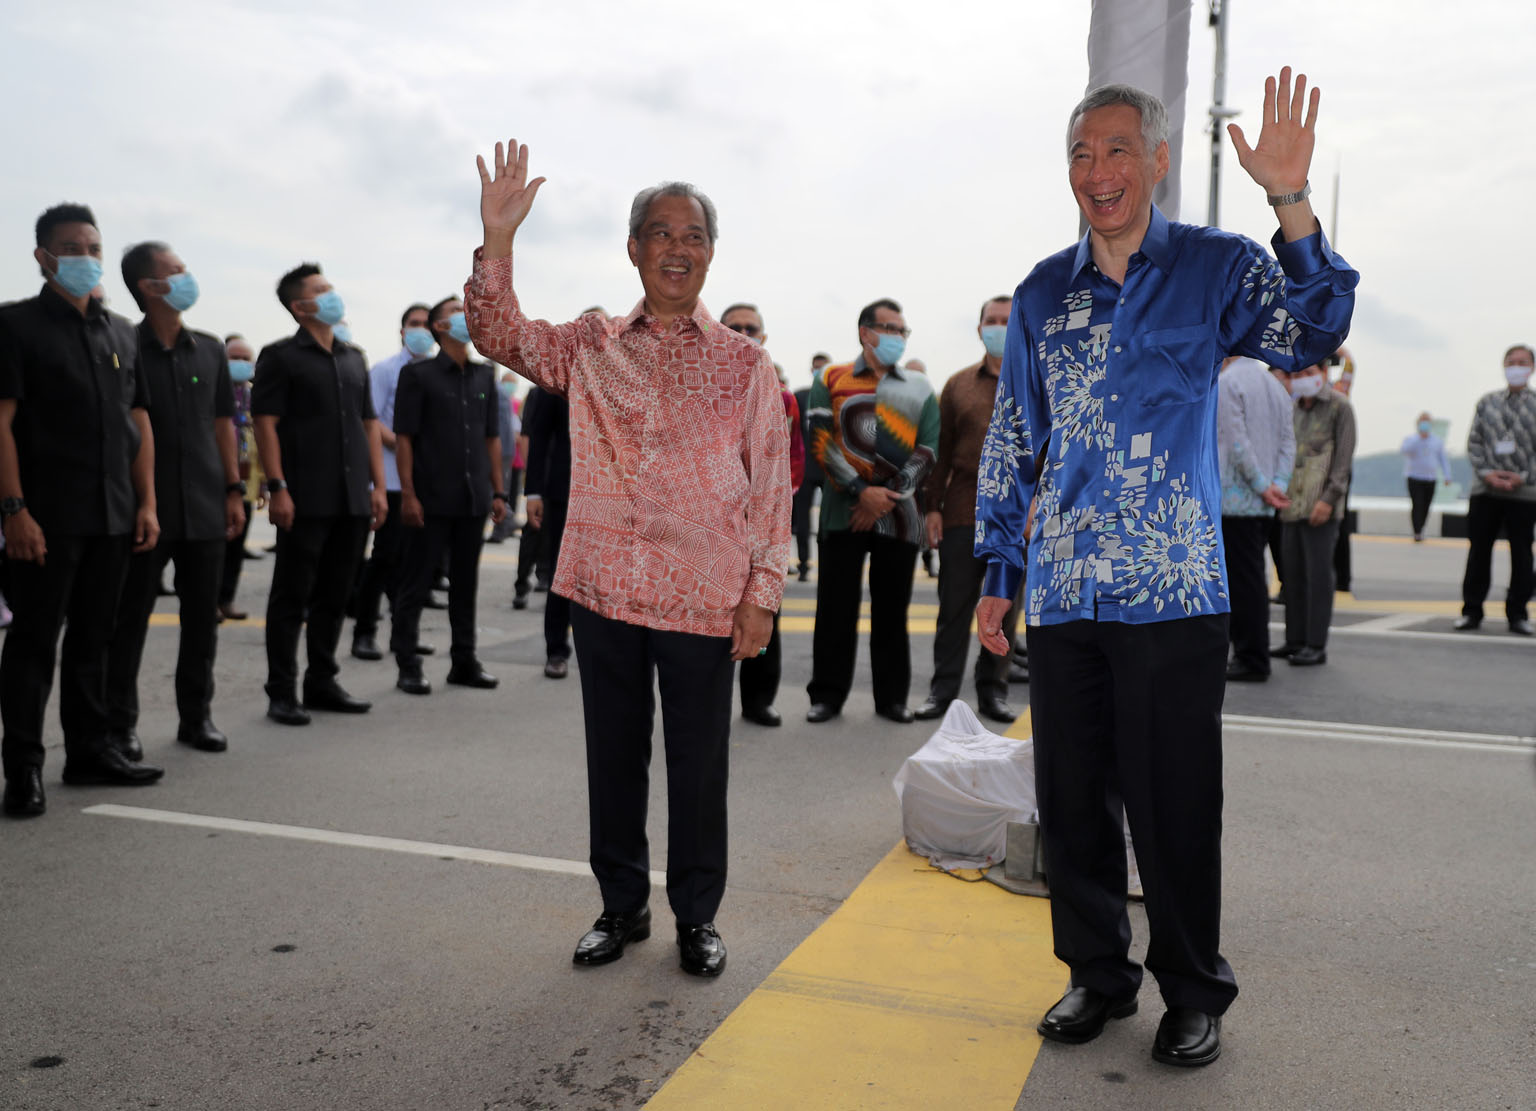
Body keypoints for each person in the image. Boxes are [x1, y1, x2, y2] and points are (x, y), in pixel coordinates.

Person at [974, 72, 1357, 1067]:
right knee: (1072, 799)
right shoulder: (1041, 293)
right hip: (1064, 591)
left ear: (1157, 161)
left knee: (1176, 800)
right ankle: (1098, 974)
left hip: (1175, 588)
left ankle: (1193, 989)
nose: (1099, 173)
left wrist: (1288, 200)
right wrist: (997, 570)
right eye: (1080, 155)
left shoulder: (1215, 269)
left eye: (1116, 151)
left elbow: (1315, 330)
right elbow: (1016, 434)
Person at [466, 142, 790, 977]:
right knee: (613, 755)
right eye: (658, 232)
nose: (676, 247)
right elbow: (498, 332)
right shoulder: (591, 344)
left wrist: (761, 593)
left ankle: (697, 916)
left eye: (692, 234)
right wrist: (498, 240)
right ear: (634, 250)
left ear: (710, 252)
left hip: (703, 595)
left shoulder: (746, 364)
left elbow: (770, 489)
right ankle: (621, 906)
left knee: (699, 764)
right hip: (604, 588)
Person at [0, 203, 166, 817]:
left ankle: (90, 752)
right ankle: (23, 767)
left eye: (93, 247)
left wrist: (145, 502)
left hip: (115, 514)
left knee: (95, 639)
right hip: (47, 515)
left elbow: (138, 422)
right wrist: (14, 510)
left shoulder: (122, 332)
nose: (85, 258)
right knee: (33, 644)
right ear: (43, 257)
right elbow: (3, 425)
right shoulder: (15, 327)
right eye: (71, 248)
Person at [105, 241, 244, 757]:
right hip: (145, 507)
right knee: (130, 619)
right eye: (176, 271)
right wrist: (142, 500)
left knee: (202, 618)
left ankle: (196, 716)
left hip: (206, 502)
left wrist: (233, 489)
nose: (187, 278)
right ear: (149, 286)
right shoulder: (123, 344)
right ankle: (120, 725)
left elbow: (224, 425)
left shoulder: (209, 349)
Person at [251, 263, 388, 725]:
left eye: (330, 287)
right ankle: (281, 691)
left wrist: (377, 486)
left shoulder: (354, 357)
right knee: (292, 596)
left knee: (335, 593)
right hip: (304, 496)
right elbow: (265, 424)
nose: (332, 296)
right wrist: (278, 487)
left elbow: (368, 424)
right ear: (300, 306)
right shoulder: (279, 357)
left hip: (351, 496)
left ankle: (322, 681)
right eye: (321, 290)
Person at [805, 299, 939, 724]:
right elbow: (821, 440)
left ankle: (891, 699)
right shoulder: (830, 377)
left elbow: (929, 448)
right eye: (890, 329)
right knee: (834, 607)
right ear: (865, 332)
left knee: (891, 609)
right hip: (842, 512)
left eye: (903, 331)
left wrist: (884, 497)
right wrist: (861, 491)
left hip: (899, 516)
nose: (898, 338)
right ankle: (826, 696)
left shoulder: (919, 387)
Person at [389, 296, 505, 693]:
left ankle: (464, 660)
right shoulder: (418, 375)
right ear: (439, 327)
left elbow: (492, 438)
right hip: (430, 496)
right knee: (417, 582)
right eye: (457, 312)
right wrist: (408, 494)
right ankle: (407, 663)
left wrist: (499, 490)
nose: (467, 317)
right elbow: (404, 438)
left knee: (465, 583)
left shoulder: (483, 375)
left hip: (473, 497)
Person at [916, 295, 1020, 724]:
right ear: (979, 329)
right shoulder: (958, 385)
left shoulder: (1037, 381)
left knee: (1005, 611)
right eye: (991, 321)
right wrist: (932, 508)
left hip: (1016, 520)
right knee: (954, 608)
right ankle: (942, 692)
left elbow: (1051, 453)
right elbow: (939, 453)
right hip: (962, 512)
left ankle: (993, 691)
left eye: (1007, 321)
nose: (998, 327)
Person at [722, 303, 804, 726]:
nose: (743, 333)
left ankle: (758, 700)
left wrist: (770, 506)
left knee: (764, 608)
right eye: (733, 327)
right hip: (715, 526)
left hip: (763, 525)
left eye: (750, 328)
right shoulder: (700, 389)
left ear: (764, 337)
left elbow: (793, 461)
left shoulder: (783, 396)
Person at [352, 304, 432, 661]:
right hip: (393, 480)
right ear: (402, 331)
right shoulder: (385, 370)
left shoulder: (434, 373)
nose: (421, 331)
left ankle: (404, 634)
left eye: (427, 325)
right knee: (384, 559)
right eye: (414, 324)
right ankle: (364, 631)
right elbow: (370, 419)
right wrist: (401, 440)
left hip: (424, 481)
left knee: (413, 565)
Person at [1218, 356, 1295, 681]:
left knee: (1240, 584)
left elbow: (1236, 442)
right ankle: (1252, 653)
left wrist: (1262, 487)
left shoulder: (1227, 383)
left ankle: (1251, 657)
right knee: (1253, 579)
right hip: (1265, 503)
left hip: (1235, 500)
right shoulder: (1276, 386)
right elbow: (1289, 442)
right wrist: (1277, 484)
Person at [1271, 363, 1353, 665]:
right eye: (1297, 375)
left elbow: (1343, 461)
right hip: (1291, 504)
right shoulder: (1293, 408)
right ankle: (1294, 639)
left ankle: (1315, 644)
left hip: (1321, 506)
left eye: (1308, 373)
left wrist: (1329, 499)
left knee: (1318, 577)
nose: (1302, 380)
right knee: (1292, 575)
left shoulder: (1339, 407)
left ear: (1322, 373)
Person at [1455, 344, 1536, 635]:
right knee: (1479, 551)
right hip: (1485, 491)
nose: (1516, 366)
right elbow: (1474, 442)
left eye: (1522, 362)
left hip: (1524, 492)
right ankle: (1471, 611)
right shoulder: (1487, 402)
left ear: (1531, 367)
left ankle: (1518, 614)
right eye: (1511, 361)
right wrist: (1488, 474)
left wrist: (1522, 477)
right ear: (1503, 366)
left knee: (1522, 554)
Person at [523, 382, 573, 678]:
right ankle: (556, 650)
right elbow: (538, 435)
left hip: (616, 491)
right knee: (561, 573)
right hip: (564, 491)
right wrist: (533, 492)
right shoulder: (560, 369)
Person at [219, 335, 259, 619]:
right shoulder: (213, 391)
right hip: (217, 482)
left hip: (247, 482)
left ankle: (226, 599)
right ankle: (208, 601)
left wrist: (267, 482)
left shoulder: (255, 396)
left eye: (246, 358)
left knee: (236, 547)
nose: (241, 363)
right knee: (215, 547)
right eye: (235, 357)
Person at [791, 353, 830, 581]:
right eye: (816, 368)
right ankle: (804, 564)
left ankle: (827, 563)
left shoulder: (836, 396)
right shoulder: (800, 396)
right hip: (804, 469)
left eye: (823, 369)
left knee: (827, 520)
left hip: (828, 468)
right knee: (803, 521)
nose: (819, 373)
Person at [1400, 412, 1452, 542]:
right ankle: (1417, 531)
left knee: (1426, 505)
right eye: (1422, 422)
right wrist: (1420, 438)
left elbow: (1443, 459)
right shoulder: (1411, 439)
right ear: (1418, 424)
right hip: (1414, 477)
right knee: (1417, 504)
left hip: (1430, 478)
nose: (1424, 425)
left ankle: (1421, 527)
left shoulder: (1437, 441)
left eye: (1427, 422)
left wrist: (1447, 476)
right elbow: (1404, 451)